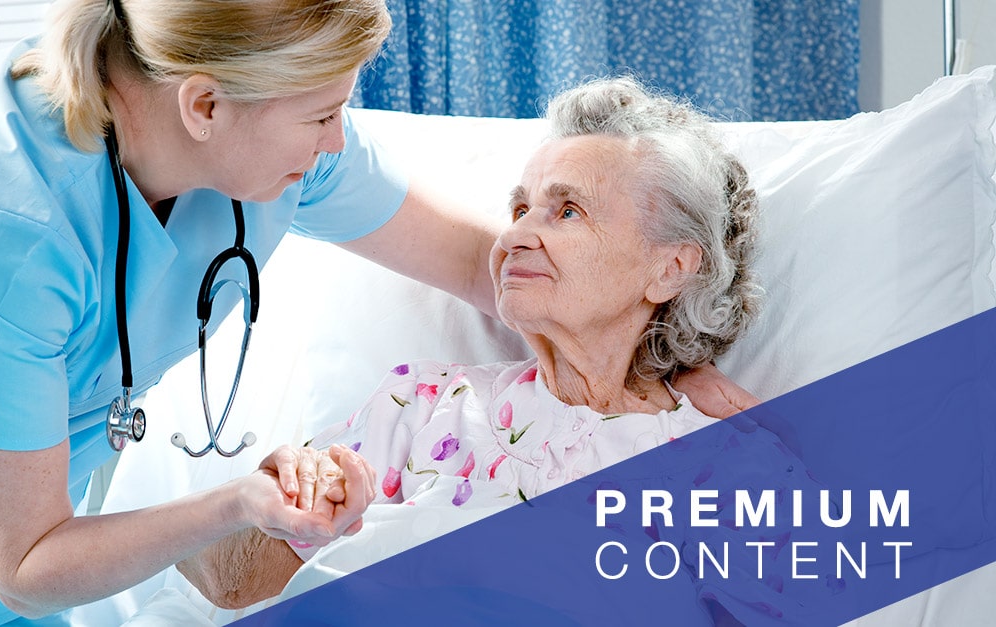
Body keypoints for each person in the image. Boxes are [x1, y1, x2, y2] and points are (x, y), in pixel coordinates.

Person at [0, 1, 754, 623]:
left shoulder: (267, 127)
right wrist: (250, 503)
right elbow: (50, 559)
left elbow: (484, 264)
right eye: (323, 112)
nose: (340, 138)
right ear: (205, 107)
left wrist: (658, 371)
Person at [180, 77, 807, 623]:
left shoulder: (727, 460)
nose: (515, 235)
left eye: (567, 210)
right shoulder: (423, 402)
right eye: (519, 208)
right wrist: (275, 500)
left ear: (671, 269)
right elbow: (233, 582)